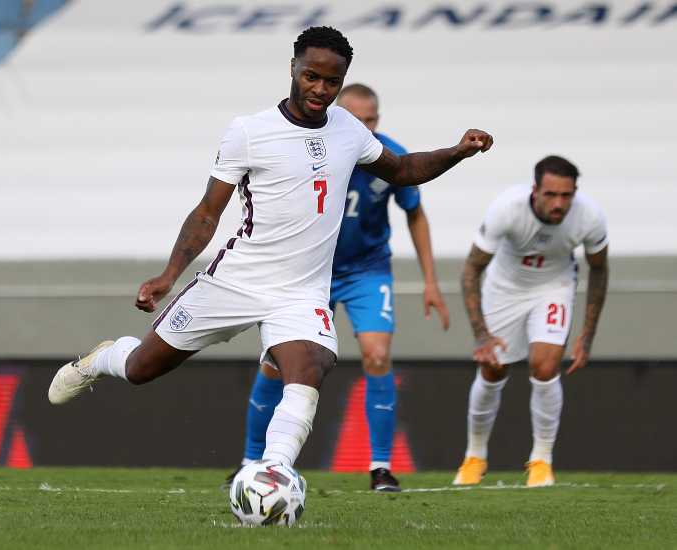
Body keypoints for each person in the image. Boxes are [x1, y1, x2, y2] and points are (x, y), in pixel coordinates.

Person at [48, 26, 493, 472]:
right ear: (293, 69)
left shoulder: (348, 129)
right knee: (142, 368)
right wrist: (169, 275)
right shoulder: (250, 132)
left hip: (301, 292)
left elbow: (403, 169)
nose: (320, 89)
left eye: (332, 81)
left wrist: (457, 151)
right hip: (238, 280)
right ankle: (100, 359)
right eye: (311, 76)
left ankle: (273, 474)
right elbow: (207, 212)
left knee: (311, 367)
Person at [228, 83, 450, 492]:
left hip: (367, 269)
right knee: (274, 364)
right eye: (357, 119)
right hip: (309, 272)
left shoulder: (389, 155)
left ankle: (380, 467)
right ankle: (250, 460)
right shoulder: (311, 149)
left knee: (377, 354)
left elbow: (415, 213)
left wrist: (431, 281)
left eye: (371, 120)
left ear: (378, 121)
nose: (364, 127)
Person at [453, 155, 608, 487]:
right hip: (504, 288)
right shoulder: (506, 209)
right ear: (535, 189)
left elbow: (599, 269)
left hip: (554, 287)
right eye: (551, 194)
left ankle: (541, 461)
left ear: (575, 192)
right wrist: (481, 335)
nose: (559, 204)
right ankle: (474, 456)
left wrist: (587, 335)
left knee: (545, 365)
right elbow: (470, 270)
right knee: (493, 369)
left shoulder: (590, 216)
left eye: (566, 196)